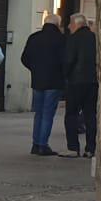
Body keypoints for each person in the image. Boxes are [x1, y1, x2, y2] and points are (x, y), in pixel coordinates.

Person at [19, 16, 65, 156]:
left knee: (39, 113)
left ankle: (35, 143)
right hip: (54, 81)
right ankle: (43, 145)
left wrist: (35, 69)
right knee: (48, 114)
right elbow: (65, 60)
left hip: (37, 80)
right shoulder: (61, 39)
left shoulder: (34, 37)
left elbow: (24, 58)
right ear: (58, 24)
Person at [63, 14, 98, 157]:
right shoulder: (95, 38)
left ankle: (73, 148)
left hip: (75, 82)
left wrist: (65, 76)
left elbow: (69, 60)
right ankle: (90, 148)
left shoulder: (73, 39)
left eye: (70, 24)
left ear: (77, 24)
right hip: (92, 81)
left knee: (71, 114)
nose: (68, 27)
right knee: (90, 115)